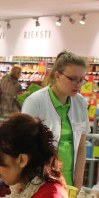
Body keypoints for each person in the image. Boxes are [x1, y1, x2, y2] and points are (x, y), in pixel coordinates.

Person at [22, 50, 89, 187]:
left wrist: (78, 185)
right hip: (40, 183)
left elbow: (81, 147)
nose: (77, 84)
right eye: (72, 79)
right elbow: (24, 148)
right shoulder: (35, 102)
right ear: (57, 76)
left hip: (69, 183)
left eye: (81, 80)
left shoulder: (80, 103)